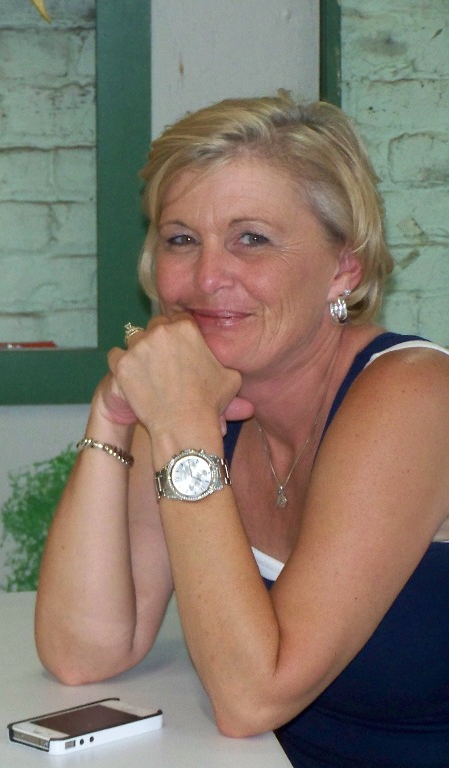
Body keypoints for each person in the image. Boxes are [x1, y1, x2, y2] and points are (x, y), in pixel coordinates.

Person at [34, 92, 449, 767]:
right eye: (181, 239)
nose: (206, 277)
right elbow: (85, 652)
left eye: (251, 239)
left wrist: (181, 427)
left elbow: (252, 698)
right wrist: (113, 415)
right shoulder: (196, 398)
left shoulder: (415, 394)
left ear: (344, 268)